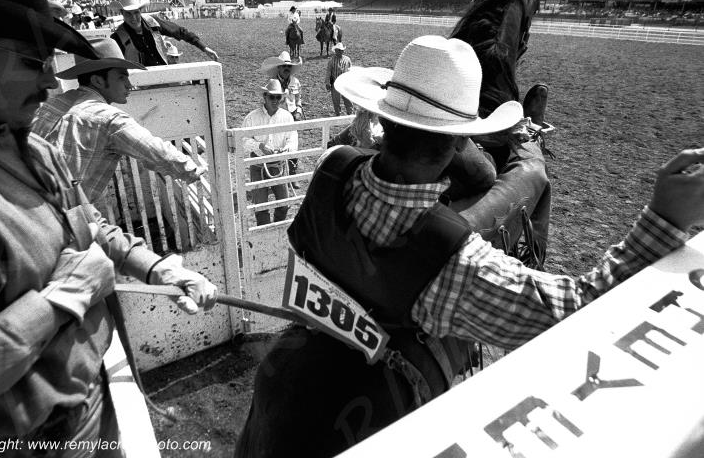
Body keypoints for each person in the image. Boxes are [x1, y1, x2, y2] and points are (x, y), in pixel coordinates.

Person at [235, 35, 704, 457]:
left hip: (280, 394)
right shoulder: (454, 263)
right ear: (459, 143)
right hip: (366, 427)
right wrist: (661, 222)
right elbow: (578, 310)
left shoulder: (331, 169)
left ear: (383, 117)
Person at [0, 0, 217, 455]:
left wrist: (158, 267)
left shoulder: (31, 143)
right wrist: (59, 301)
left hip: (89, 406)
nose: (50, 81)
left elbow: (88, 222)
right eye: (32, 62)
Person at [32, 37, 206, 201]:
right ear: (98, 81)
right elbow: (156, 151)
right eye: (122, 77)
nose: (129, 84)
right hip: (64, 214)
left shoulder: (52, 103)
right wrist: (192, 170)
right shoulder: (109, 119)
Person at [111, 0, 219, 66]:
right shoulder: (117, 37)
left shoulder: (153, 22)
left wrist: (204, 48)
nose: (133, 18)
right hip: (140, 83)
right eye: (128, 14)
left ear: (140, 11)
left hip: (164, 73)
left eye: (136, 13)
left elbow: (180, 31)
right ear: (122, 13)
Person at [242, 79, 298, 226]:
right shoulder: (252, 117)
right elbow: (243, 140)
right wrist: (259, 146)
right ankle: (264, 234)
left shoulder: (287, 117)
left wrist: (285, 150)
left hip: (278, 164)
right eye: (272, 97)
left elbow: (292, 139)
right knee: (260, 207)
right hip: (258, 164)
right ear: (265, 97)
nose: (275, 100)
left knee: (284, 204)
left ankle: (276, 229)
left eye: (278, 97)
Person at [261, 51, 303, 184]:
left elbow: (298, 98)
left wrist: (299, 110)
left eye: (289, 67)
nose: (287, 69)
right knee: (275, 143)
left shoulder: (295, 82)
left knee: (293, 144)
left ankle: (292, 174)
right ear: (278, 68)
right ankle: (273, 173)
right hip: (277, 117)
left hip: (292, 116)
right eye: (284, 66)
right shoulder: (271, 83)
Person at [325, 42, 353, 116]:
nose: (340, 52)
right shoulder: (331, 60)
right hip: (335, 83)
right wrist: (327, 82)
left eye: (341, 50)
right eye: (338, 50)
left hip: (345, 84)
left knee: (348, 99)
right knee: (336, 100)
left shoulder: (347, 59)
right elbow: (329, 72)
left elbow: (351, 71)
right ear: (335, 51)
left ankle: (350, 113)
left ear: (343, 51)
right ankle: (338, 114)